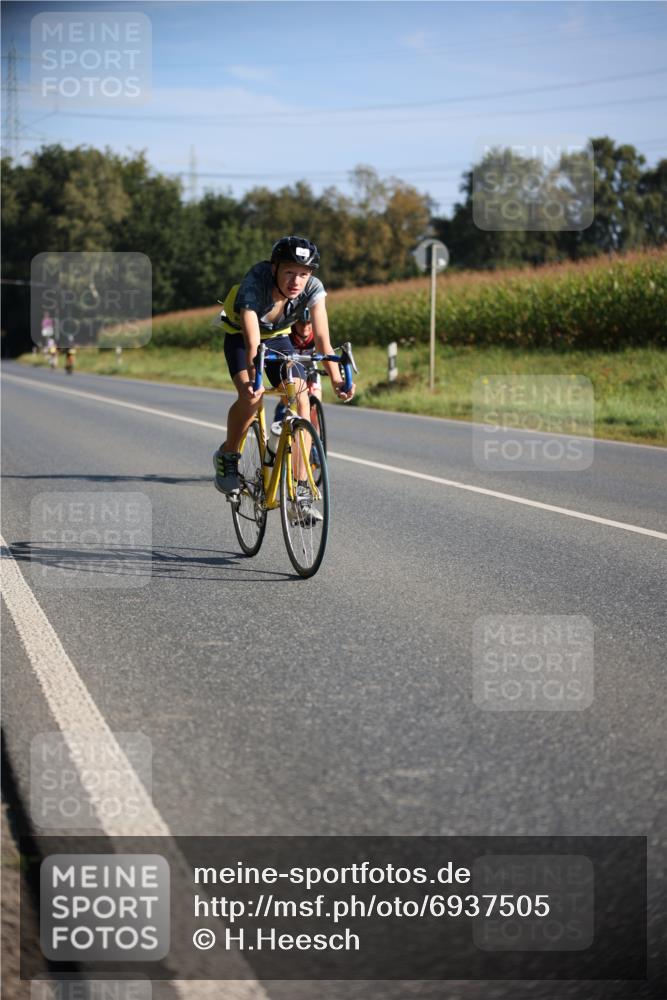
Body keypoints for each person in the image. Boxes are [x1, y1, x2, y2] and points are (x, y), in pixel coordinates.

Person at [213, 236, 355, 508]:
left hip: (279, 338)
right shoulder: (256, 280)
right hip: (241, 336)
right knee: (251, 395)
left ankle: (300, 491)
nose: (296, 281)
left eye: (303, 274)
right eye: (289, 272)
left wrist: (337, 378)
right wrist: (255, 366)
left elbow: (323, 339)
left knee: (301, 399)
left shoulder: (313, 288)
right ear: (274, 268)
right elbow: (252, 338)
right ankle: (227, 456)